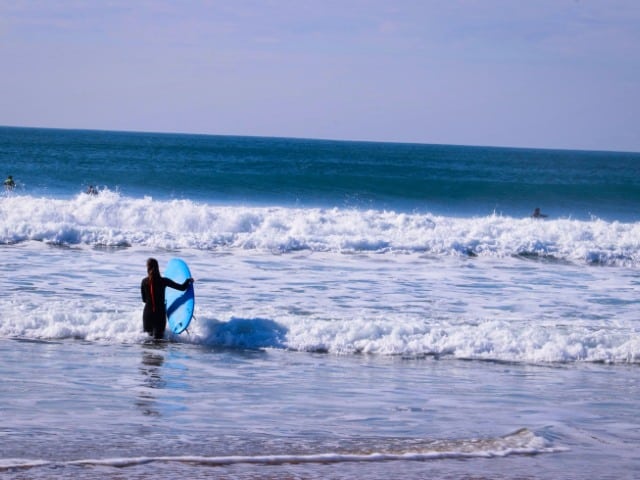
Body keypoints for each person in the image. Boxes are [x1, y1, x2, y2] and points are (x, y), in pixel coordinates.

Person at [141, 258, 193, 340]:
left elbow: (144, 300)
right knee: (159, 341)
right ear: (157, 268)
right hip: (160, 313)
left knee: (147, 340)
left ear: (148, 268)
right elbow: (182, 287)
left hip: (148, 313)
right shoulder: (163, 281)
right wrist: (188, 280)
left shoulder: (144, 281)